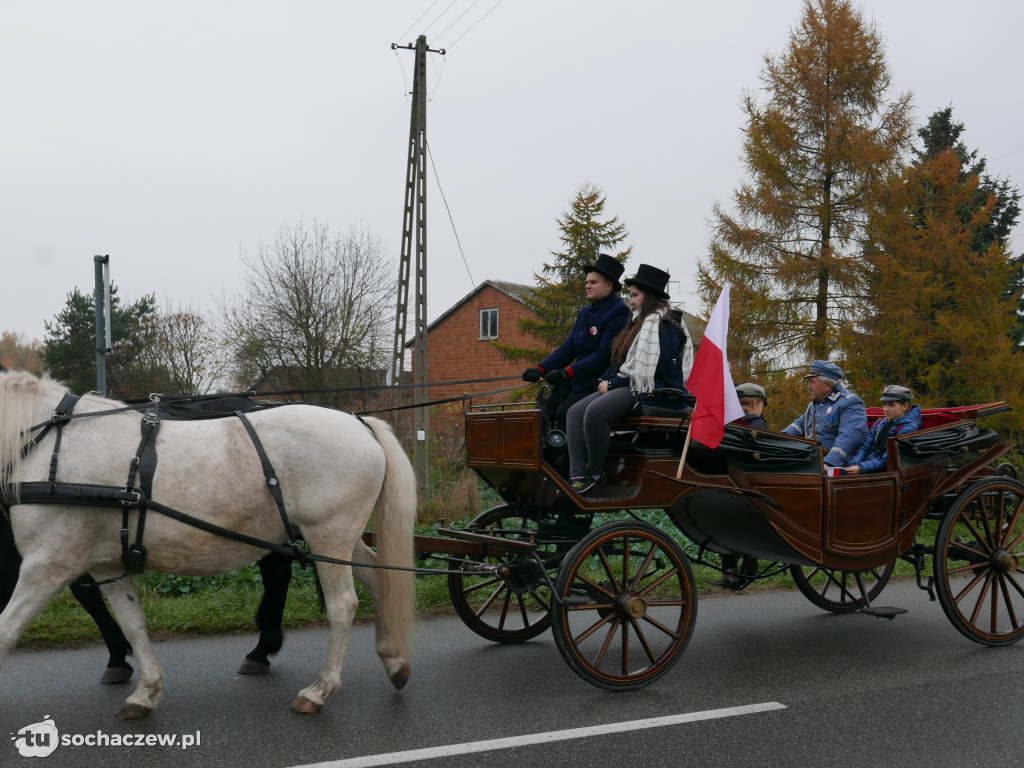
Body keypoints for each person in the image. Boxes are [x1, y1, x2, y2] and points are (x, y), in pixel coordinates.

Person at [565, 264, 692, 494]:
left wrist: (613, 384)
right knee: (574, 412)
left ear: (649, 297)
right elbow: (618, 361)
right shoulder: (638, 323)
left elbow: (651, 373)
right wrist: (605, 379)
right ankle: (577, 475)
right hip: (629, 383)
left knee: (595, 413)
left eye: (634, 296)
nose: (631, 301)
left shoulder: (663, 325)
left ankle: (596, 474)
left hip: (653, 390)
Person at [522, 254, 630, 429]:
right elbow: (568, 348)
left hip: (597, 382)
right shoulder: (585, 313)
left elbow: (604, 356)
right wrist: (541, 368)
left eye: (594, 282)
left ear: (609, 285)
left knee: (564, 414)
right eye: (587, 282)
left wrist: (567, 372)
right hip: (576, 380)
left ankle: (568, 456)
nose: (588, 285)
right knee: (542, 412)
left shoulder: (618, 313)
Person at [781, 360, 867, 468]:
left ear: (827, 385)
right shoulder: (816, 404)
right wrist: (778, 439)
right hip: (814, 463)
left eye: (812, 382)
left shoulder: (850, 403)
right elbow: (799, 425)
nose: (809, 386)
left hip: (841, 468)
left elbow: (849, 437)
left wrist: (828, 463)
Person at [844, 385, 921, 475]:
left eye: (891, 405)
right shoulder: (879, 423)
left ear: (905, 406)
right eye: (884, 404)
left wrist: (861, 468)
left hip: (886, 472)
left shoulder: (909, 428)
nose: (886, 409)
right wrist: (854, 464)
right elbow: (865, 447)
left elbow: (889, 458)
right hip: (868, 467)